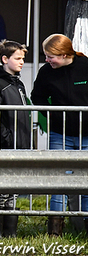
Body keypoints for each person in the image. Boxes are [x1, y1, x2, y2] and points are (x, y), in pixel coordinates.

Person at [31, 34, 88, 236]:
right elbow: (37, 96)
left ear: (64, 54)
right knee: (59, 179)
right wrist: (53, 114)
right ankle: (55, 228)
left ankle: (84, 225)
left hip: (86, 135)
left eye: (50, 57)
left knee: (86, 179)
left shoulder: (85, 66)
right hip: (59, 133)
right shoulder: (46, 72)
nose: (47, 60)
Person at [0, 40, 30, 238]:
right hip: (4, 146)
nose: (21, 62)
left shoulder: (19, 84)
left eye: (23, 58)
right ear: (5, 59)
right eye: (18, 58)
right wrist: (6, 137)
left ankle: (10, 232)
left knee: (12, 189)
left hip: (19, 144)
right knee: (1, 189)